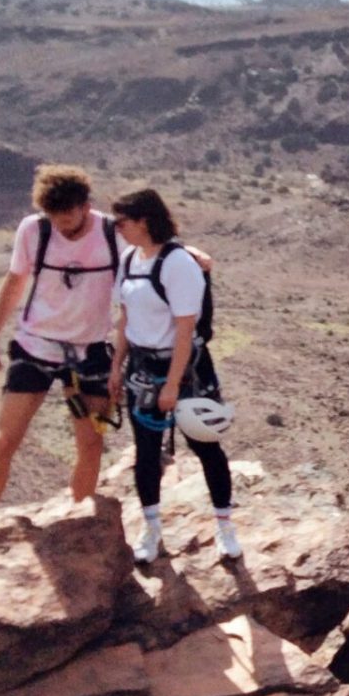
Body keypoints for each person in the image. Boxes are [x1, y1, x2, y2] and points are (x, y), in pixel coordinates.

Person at [0, 165, 119, 519]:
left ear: (86, 205)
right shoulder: (34, 230)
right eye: (54, 216)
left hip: (90, 351)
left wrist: (192, 257)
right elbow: (14, 282)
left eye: (69, 214)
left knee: (90, 443)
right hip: (36, 345)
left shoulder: (114, 232)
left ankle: (79, 520)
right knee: (6, 438)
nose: (63, 224)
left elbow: (155, 249)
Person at [107, 186, 240, 564]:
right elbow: (126, 318)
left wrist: (172, 384)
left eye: (123, 221)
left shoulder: (178, 263)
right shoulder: (130, 259)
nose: (117, 228)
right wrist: (117, 366)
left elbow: (185, 329)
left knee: (205, 446)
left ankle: (225, 526)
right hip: (142, 368)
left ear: (144, 220)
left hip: (186, 370)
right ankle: (151, 531)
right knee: (147, 454)